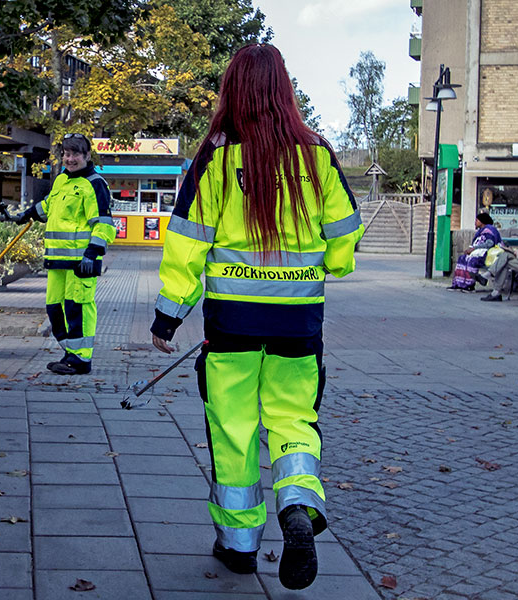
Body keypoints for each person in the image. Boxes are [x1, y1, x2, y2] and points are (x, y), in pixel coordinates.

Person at [149, 44, 362, 591]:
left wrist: (167, 318)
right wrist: (327, 262)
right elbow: (342, 240)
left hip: (232, 328)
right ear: (284, 87)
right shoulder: (316, 152)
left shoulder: (216, 155)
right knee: (293, 422)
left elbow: (187, 243)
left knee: (234, 431)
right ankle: (297, 506)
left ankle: (240, 545)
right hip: (297, 325)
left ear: (234, 89)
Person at [14, 133, 115, 374]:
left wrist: (92, 253)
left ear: (87, 156)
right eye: (67, 154)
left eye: (75, 154)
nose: (70, 159)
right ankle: (71, 353)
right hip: (58, 260)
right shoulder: (62, 181)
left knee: (77, 307)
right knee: (55, 308)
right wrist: (28, 213)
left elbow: (104, 224)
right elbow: (49, 205)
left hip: (82, 262)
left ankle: (81, 359)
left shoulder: (95, 184)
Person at [447, 213, 502, 291]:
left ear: (482, 221)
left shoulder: (489, 229)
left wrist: (474, 249)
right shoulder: (480, 231)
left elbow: (490, 243)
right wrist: (471, 249)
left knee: (472, 261)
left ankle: (470, 285)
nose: (475, 222)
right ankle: (459, 284)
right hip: (478, 252)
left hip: (487, 255)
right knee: (462, 258)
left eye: (477, 220)